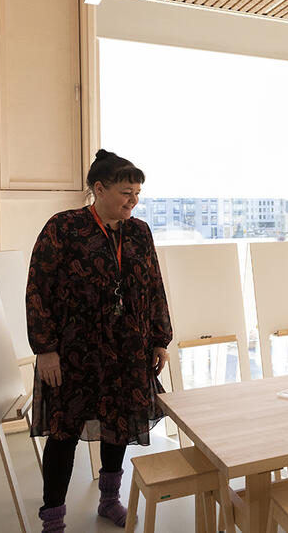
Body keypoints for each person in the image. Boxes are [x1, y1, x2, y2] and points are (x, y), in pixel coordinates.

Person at [27, 149, 172, 532]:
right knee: (63, 433)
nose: (133, 201)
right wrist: (45, 349)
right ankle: (53, 520)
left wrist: (160, 339)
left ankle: (109, 500)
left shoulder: (139, 232)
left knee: (118, 424)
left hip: (128, 349)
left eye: (137, 193)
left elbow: (154, 286)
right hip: (73, 352)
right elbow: (38, 289)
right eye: (126, 193)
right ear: (99, 188)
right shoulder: (63, 227)